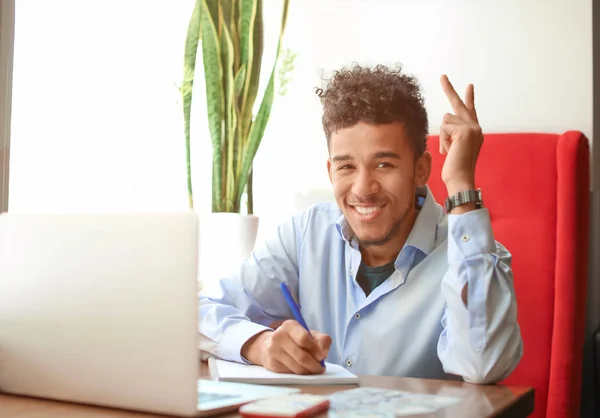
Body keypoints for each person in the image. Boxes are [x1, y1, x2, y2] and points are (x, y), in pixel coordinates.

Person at [198, 63, 523, 384]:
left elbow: (484, 363)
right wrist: (260, 345)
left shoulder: (472, 256)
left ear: (421, 169)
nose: (363, 188)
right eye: (347, 167)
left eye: (384, 164)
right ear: (330, 171)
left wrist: (461, 184)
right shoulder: (305, 234)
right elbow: (199, 311)